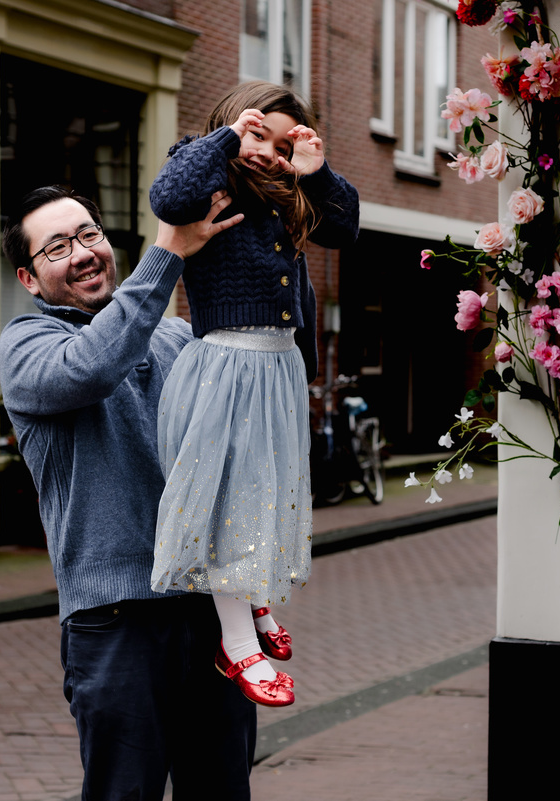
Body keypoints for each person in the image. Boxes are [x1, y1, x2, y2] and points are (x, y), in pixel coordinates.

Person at [0, 184, 255, 801]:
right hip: (115, 622)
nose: (83, 252)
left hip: (208, 608)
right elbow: (93, 363)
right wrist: (167, 252)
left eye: (89, 234)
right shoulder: (27, 347)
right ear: (29, 279)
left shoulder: (174, 339)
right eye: (58, 247)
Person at [148, 81, 359, 707]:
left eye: (282, 141)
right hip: (228, 366)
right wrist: (226, 139)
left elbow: (344, 231)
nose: (267, 151)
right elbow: (168, 195)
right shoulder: (211, 178)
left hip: (277, 370)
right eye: (258, 133)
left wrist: (315, 172)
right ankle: (237, 643)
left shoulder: (289, 195)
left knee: (264, 495)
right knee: (228, 500)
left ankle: (254, 598)